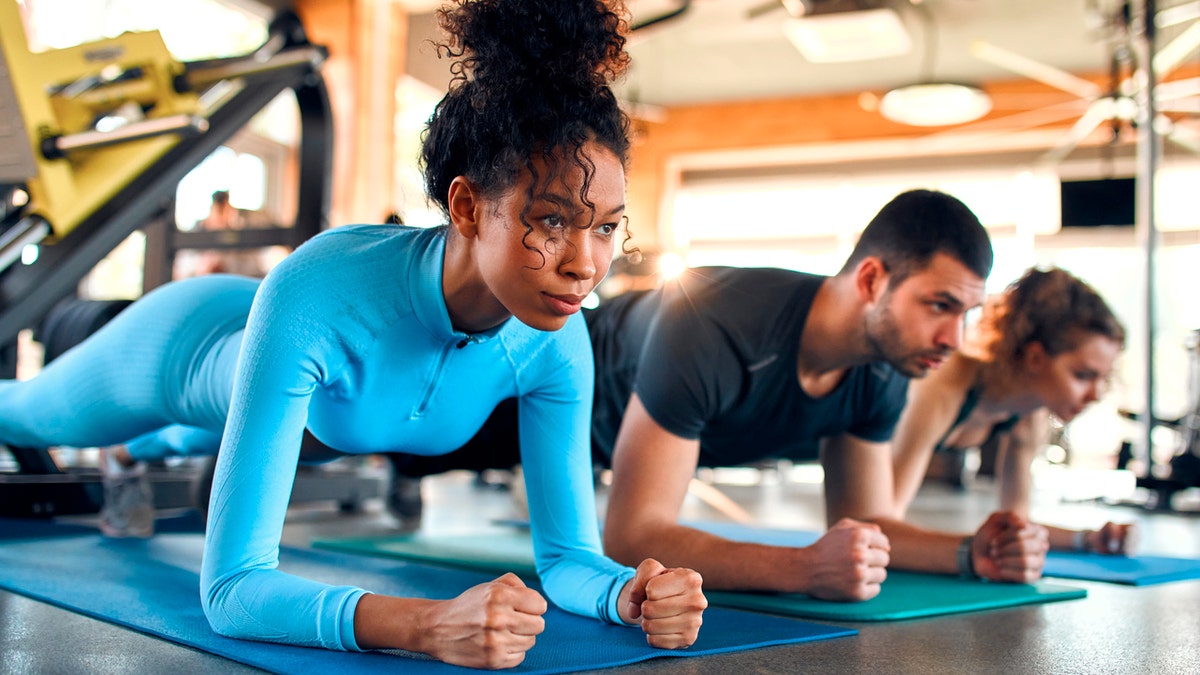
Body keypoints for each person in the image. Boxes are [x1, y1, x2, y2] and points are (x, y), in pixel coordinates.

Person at [0, 0, 706, 668]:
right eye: (551, 220)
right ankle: (124, 439)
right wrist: (426, 625)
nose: (585, 264)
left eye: (607, 226)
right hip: (185, 343)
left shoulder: (554, 342)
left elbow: (566, 558)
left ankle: (135, 452)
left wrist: (626, 592)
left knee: (229, 433)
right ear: (465, 205)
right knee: (23, 412)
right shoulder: (322, 291)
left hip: (307, 401)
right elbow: (233, 588)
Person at [393, 188, 1038, 599]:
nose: (955, 337)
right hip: (532, 386)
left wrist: (969, 552)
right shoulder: (718, 320)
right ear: (872, 279)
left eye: (967, 314)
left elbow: (866, 523)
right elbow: (633, 535)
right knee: (379, 435)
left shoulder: (886, 368)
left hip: (594, 442)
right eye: (940, 306)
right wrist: (802, 570)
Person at [889, 266, 1133, 565]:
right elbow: (883, 524)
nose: (1095, 394)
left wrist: (1089, 539)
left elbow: (1016, 526)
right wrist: (972, 555)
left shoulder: (1028, 416)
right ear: (1035, 358)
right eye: (1083, 375)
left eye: (1103, 379)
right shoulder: (944, 386)